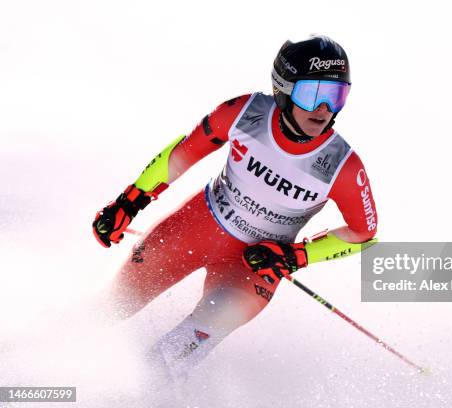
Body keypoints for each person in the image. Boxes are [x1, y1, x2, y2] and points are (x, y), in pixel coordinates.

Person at [92, 35, 378, 381]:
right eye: (312, 94)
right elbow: (183, 154)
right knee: (109, 309)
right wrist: (129, 201)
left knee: (173, 355)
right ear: (283, 89)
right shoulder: (245, 112)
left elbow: (365, 233)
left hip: (253, 267)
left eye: (336, 96)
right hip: (196, 227)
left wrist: (295, 257)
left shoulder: (342, 166)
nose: (324, 110)